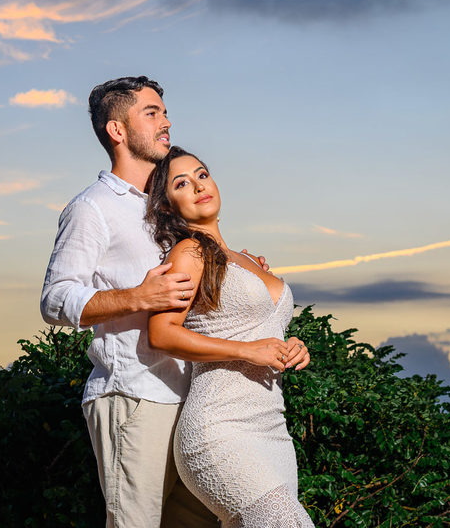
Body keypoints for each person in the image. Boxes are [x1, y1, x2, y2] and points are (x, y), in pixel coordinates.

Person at [40, 76, 219, 528]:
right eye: (152, 112)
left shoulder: (168, 204)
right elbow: (55, 298)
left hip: (192, 400)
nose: (167, 122)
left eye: (164, 111)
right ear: (117, 131)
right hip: (133, 396)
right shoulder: (92, 207)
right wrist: (139, 296)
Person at [146, 147, 314, 528]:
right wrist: (246, 351)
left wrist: (293, 347)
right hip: (220, 429)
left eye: (202, 175)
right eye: (181, 183)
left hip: (272, 429)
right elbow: (162, 332)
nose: (198, 186)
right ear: (168, 206)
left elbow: (264, 329)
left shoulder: (247, 259)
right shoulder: (188, 252)